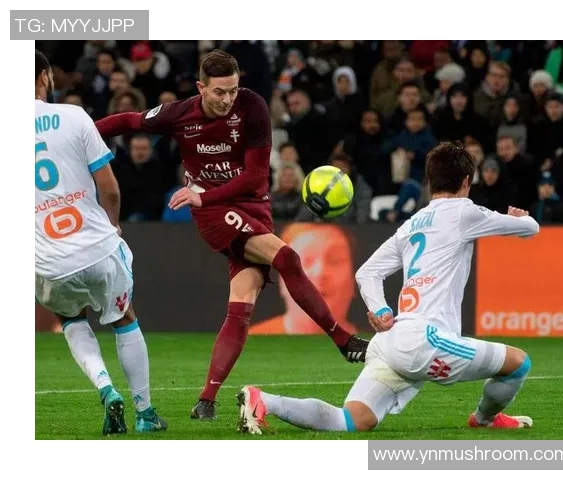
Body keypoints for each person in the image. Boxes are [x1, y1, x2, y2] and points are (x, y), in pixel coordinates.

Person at [94, 49, 369, 421]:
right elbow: (129, 120)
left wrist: (203, 194)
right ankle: (343, 340)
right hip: (213, 213)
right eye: (219, 92)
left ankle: (206, 400)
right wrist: (80, 132)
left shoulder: (252, 107)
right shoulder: (179, 114)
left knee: (241, 306)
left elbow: (255, 176)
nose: (227, 99)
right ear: (201, 88)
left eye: (233, 90)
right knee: (287, 257)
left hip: (254, 207)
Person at [236, 141, 539, 435]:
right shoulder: (464, 211)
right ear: (466, 181)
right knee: (518, 364)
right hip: (426, 340)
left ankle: (264, 401)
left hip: (391, 340)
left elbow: (368, 273)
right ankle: (485, 420)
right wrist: (518, 219)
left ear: (429, 181)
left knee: (351, 420)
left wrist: (381, 310)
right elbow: (530, 228)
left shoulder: (411, 225)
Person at [34, 50, 167, 436]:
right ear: (44, 77)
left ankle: (107, 389)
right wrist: (113, 227)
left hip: (47, 259)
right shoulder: (75, 117)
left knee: (71, 319)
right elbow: (109, 188)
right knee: (124, 317)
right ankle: (145, 413)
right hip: (96, 246)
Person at [250, 223, 358, 335]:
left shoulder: (368, 340)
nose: (319, 272)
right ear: (282, 280)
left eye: (335, 260)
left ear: (353, 280)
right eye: (304, 261)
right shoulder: (253, 338)